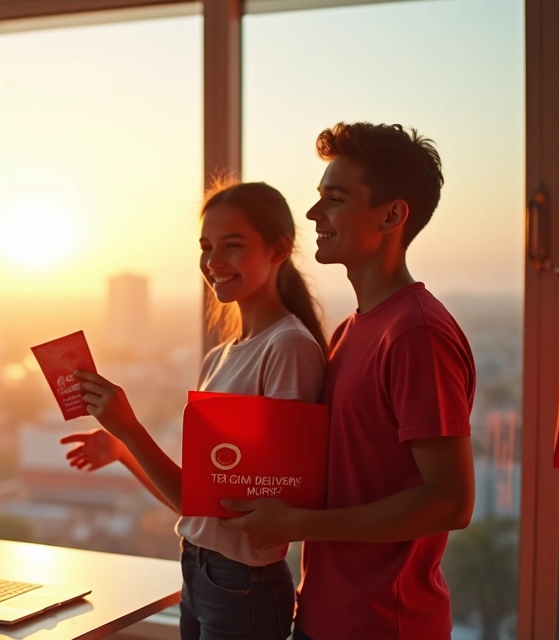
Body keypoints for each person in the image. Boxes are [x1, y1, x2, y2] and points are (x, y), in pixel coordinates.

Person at [218, 123, 476, 640]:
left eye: (333, 199)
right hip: (324, 615)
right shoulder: (351, 330)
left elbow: (450, 501)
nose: (314, 214)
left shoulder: (416, 334)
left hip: (385, 625)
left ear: (391, 214)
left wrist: (296, 524)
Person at [63, 181, 327, 640]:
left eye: (232, 245)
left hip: (242, 583)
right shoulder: (221, 356)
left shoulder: (288, 349)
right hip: (200, 571)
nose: (213, 262)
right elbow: (199, 503)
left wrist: (131, 429)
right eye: (206, 247)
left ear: (279, 250)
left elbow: (255, 509)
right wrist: (124, 447)